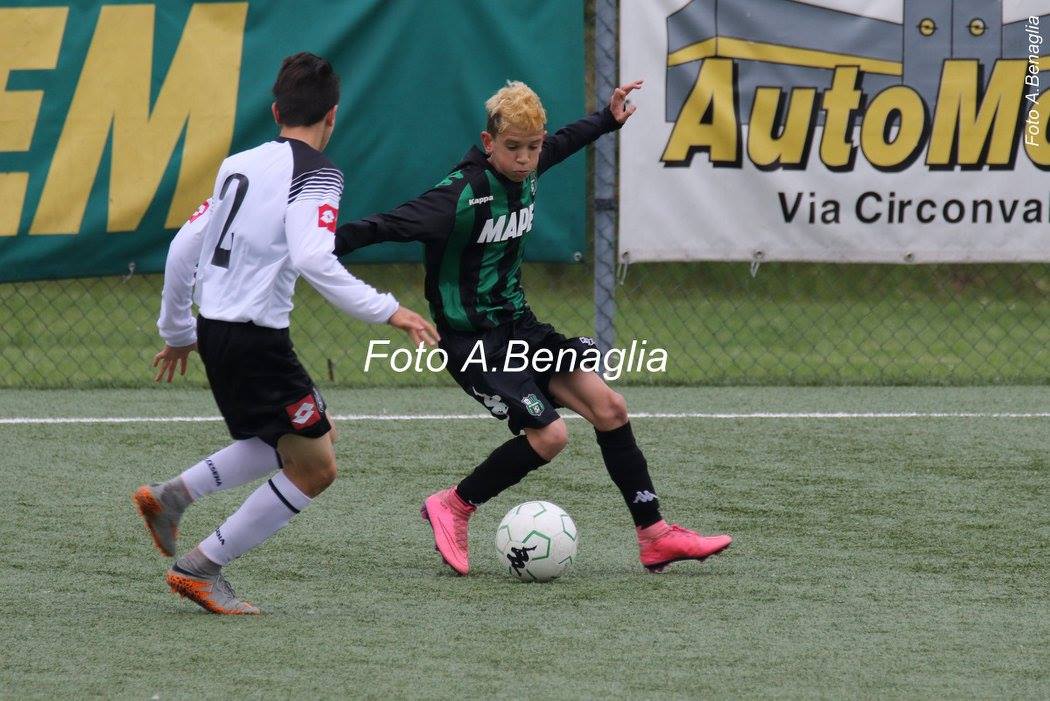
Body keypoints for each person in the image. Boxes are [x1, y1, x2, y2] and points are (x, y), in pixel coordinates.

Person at [333, 79, 731, 575]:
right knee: (551, 436)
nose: (525, 159)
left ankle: (655, 536)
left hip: (521, 329)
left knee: (609, 407)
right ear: (487, 143)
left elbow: (563, 141)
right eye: (513, 148)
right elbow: (381, 226)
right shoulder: (458, 197)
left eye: (532, 147)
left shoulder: (534, 162)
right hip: (472, 341)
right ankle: (453, 505)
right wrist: (308, 249)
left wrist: (606, 119)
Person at [134, 52, 438, 614]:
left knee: (297, 440)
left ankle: (173, 498)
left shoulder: (239, 163)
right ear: (333, 116)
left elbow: (182, 248)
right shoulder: (319, 173)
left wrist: (178, 330)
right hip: (256, 341)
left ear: (276, 109)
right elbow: (314, 257)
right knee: (317, 467)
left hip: (217, 332)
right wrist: (388, 309)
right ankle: (200, 568)